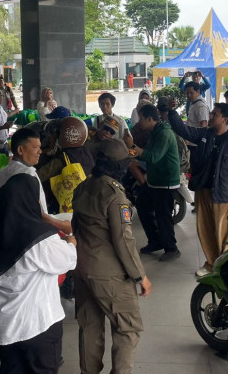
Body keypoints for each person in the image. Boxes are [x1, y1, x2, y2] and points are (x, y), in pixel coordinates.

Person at [0, 174, 77, 373]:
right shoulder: (39, 238)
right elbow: (68, 261)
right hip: (37, 324)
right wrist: (71, 242)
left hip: (4, 324)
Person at [72, 139, 152, 374]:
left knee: (89, 327)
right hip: (109, 275)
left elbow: (75, 226)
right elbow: (124, 241)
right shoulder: (116, 197)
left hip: (82, 269)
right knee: (128, 329)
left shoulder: (83, 187)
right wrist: (141, 277)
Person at [167, 102, 228, 276]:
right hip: (203, 190)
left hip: (223, 194)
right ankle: (211, 264)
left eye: (214, 114)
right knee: (205, 229)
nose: (210, 116)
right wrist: (172, 111)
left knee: (223, 231)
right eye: (211, 113)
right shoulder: (205, 134)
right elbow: (184, 130)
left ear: (224, 119)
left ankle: (224, 265)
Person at [124, 104, 182, 262]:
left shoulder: (164, 133)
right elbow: (145, 155)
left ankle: (172, 248)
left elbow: (153, 157)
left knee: (163, 216)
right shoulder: (155, 131)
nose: (139, 122)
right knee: (142, 205)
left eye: (141, 118)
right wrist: (131, 152)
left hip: (166, 181)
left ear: (149, 119)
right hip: (155, 180)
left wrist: (133, 146)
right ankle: (155, 240)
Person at [0, 127, 73, 235]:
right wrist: (64, 226)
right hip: (27, 232)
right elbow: (39, 215)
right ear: (20, 150)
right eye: (36, 147)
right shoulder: (28, 174)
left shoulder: (2, 172)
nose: (40, 152)